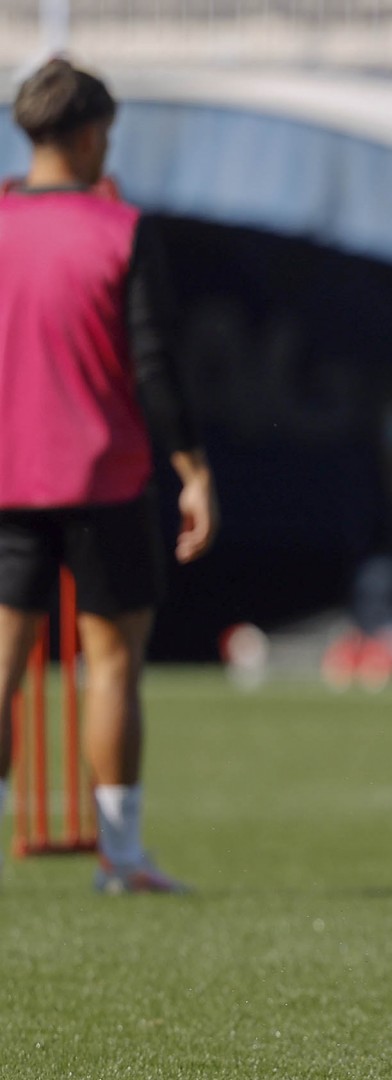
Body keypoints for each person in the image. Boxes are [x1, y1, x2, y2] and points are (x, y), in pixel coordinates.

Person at [0, 58, 217, 894]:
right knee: (113, 665)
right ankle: (121, 858)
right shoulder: (119, 228)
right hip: (106, 477)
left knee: (5, 665)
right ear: (91, 134)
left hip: (8, 476)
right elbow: (154, 366)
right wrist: (193, 471)